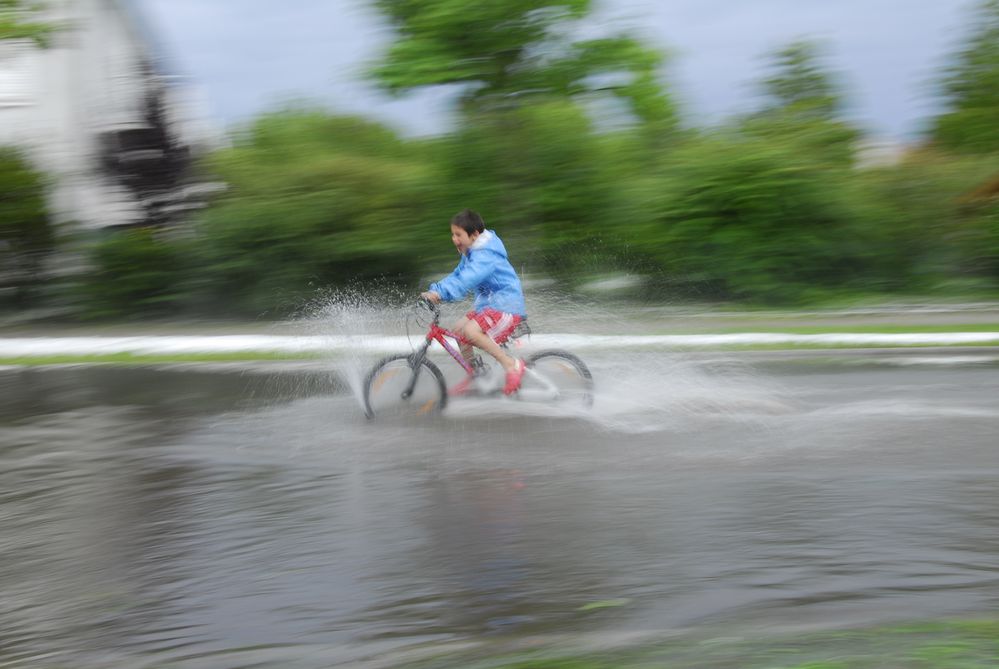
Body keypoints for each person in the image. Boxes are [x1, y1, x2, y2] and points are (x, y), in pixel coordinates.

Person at [421, 209, 527, 396]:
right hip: (490, 307)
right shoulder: (471, 252)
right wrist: (435, 290)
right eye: (453, 234)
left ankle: (511, 365)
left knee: (471, 331)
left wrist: (441, 295)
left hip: (506, 307)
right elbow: (457, 276)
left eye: (458, 235)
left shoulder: (485, 256)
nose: (454, 239)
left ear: (475, 234)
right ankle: (476, 374)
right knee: (459, 328)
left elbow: (466, 280)